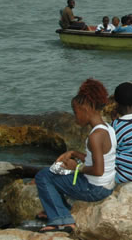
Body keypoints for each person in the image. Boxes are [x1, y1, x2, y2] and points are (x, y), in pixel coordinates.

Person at [34, 79, 116, 233]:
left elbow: (98, 170)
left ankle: (61, 220)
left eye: (75, 111)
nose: (75, 117)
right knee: (54, 173)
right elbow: (102, 159)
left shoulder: (95, 136)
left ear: (86, 109)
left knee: (44, 176)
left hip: (94, 189)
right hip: (106, 185)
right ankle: (59, 210)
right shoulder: (107, 128)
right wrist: (74, 153)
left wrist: (75, 167)